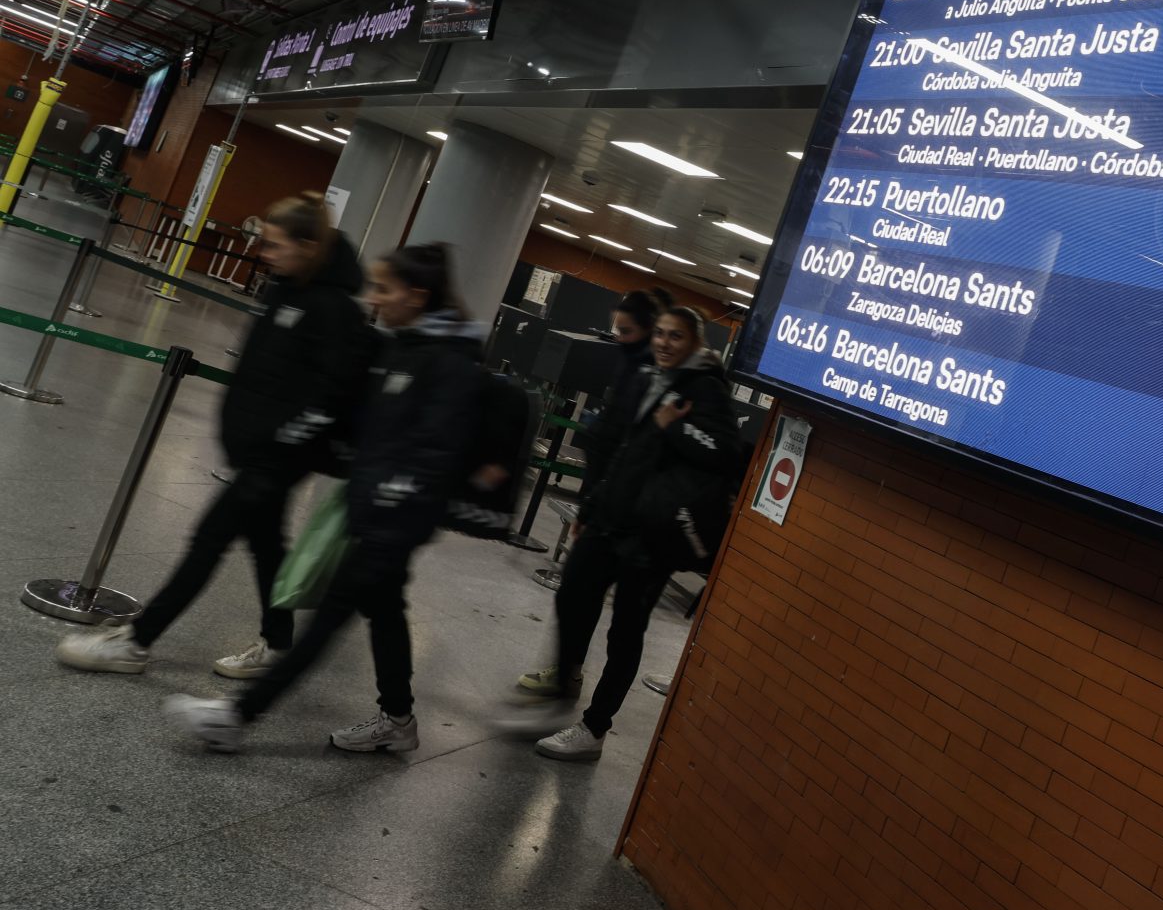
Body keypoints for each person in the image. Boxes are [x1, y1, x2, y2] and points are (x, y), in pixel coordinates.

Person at [164, 243, 484, 754]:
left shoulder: (452, 365)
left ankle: (237, 716)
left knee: (330, 616)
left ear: (418, 295)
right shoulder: (403, 348)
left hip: (395, 517)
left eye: (386, 289)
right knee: (384, 609)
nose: (374, 298)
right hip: (372, 508)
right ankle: (398, 719)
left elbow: (438, 453)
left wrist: (386, 499)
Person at [57, 193, 372, 679]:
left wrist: (281, 443)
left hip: (278, 458)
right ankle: (278, 644)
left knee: (208, 541)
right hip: (256, 451)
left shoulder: (336, 311)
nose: (265, 254)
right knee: (267, 547)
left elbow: (331, 397)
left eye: (276, 245)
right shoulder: (282, 290)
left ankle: (137, 642)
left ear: (309, 246)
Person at [509, 305, 741, 761]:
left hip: (653, 535)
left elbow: (725, 453)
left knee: (626, 632)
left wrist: (675, 428)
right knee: (572, 594)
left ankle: (594, 728)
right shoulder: (654, 377)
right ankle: (563, 684)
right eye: (661, 334)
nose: (665, 343)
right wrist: (592, 505)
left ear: (696, 342)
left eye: (676, 336)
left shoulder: (707, 389)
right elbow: (629, 452)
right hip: (613, 519)